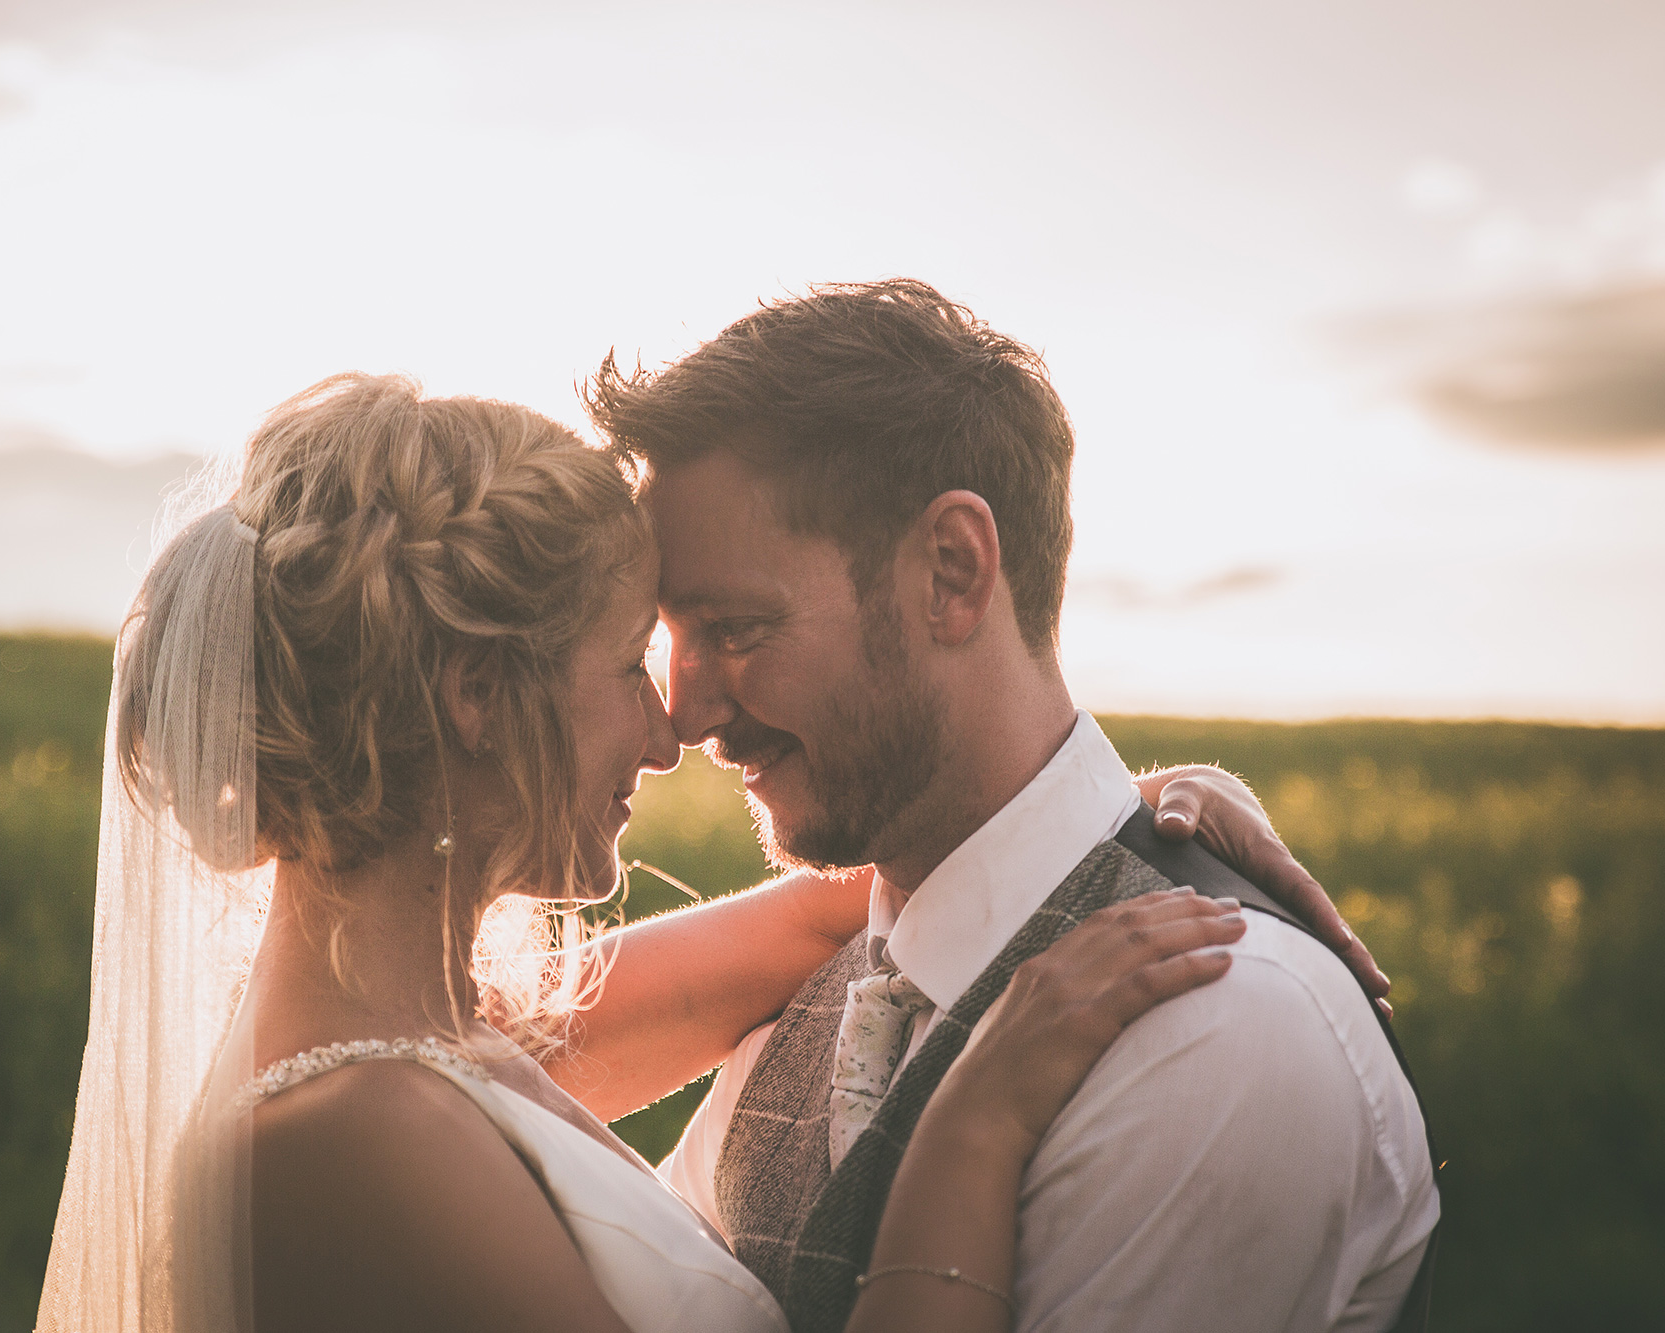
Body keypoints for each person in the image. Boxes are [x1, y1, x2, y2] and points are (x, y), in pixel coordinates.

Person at [35, 372, 1381, 1333]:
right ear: (475, 698)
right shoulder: (349, 1137)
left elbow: (858, 904)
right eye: (627, 660)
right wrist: (978, 1125)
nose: (669, 717)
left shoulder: (436, 1034)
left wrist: (1145, 808)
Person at [585, 280, 1442, 1333]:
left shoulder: (1212, 1030)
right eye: (666, 637)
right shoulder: (815, 1005)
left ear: (951, 571)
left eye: (732, 625)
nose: (688, 714)